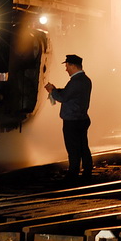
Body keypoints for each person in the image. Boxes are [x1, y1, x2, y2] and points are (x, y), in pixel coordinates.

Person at [45, 54, 93, 182]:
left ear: (73, 66)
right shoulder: (85, 80)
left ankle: (73, 173)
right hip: (82, 118)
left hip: (72, 120)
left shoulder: (75, 81)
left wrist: (52, 91)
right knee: (83, 146)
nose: (66, 69)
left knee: (73, 148)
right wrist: (56, 90)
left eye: (67, 66)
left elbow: (63, 98)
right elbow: (69, 93)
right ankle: (87, 170)